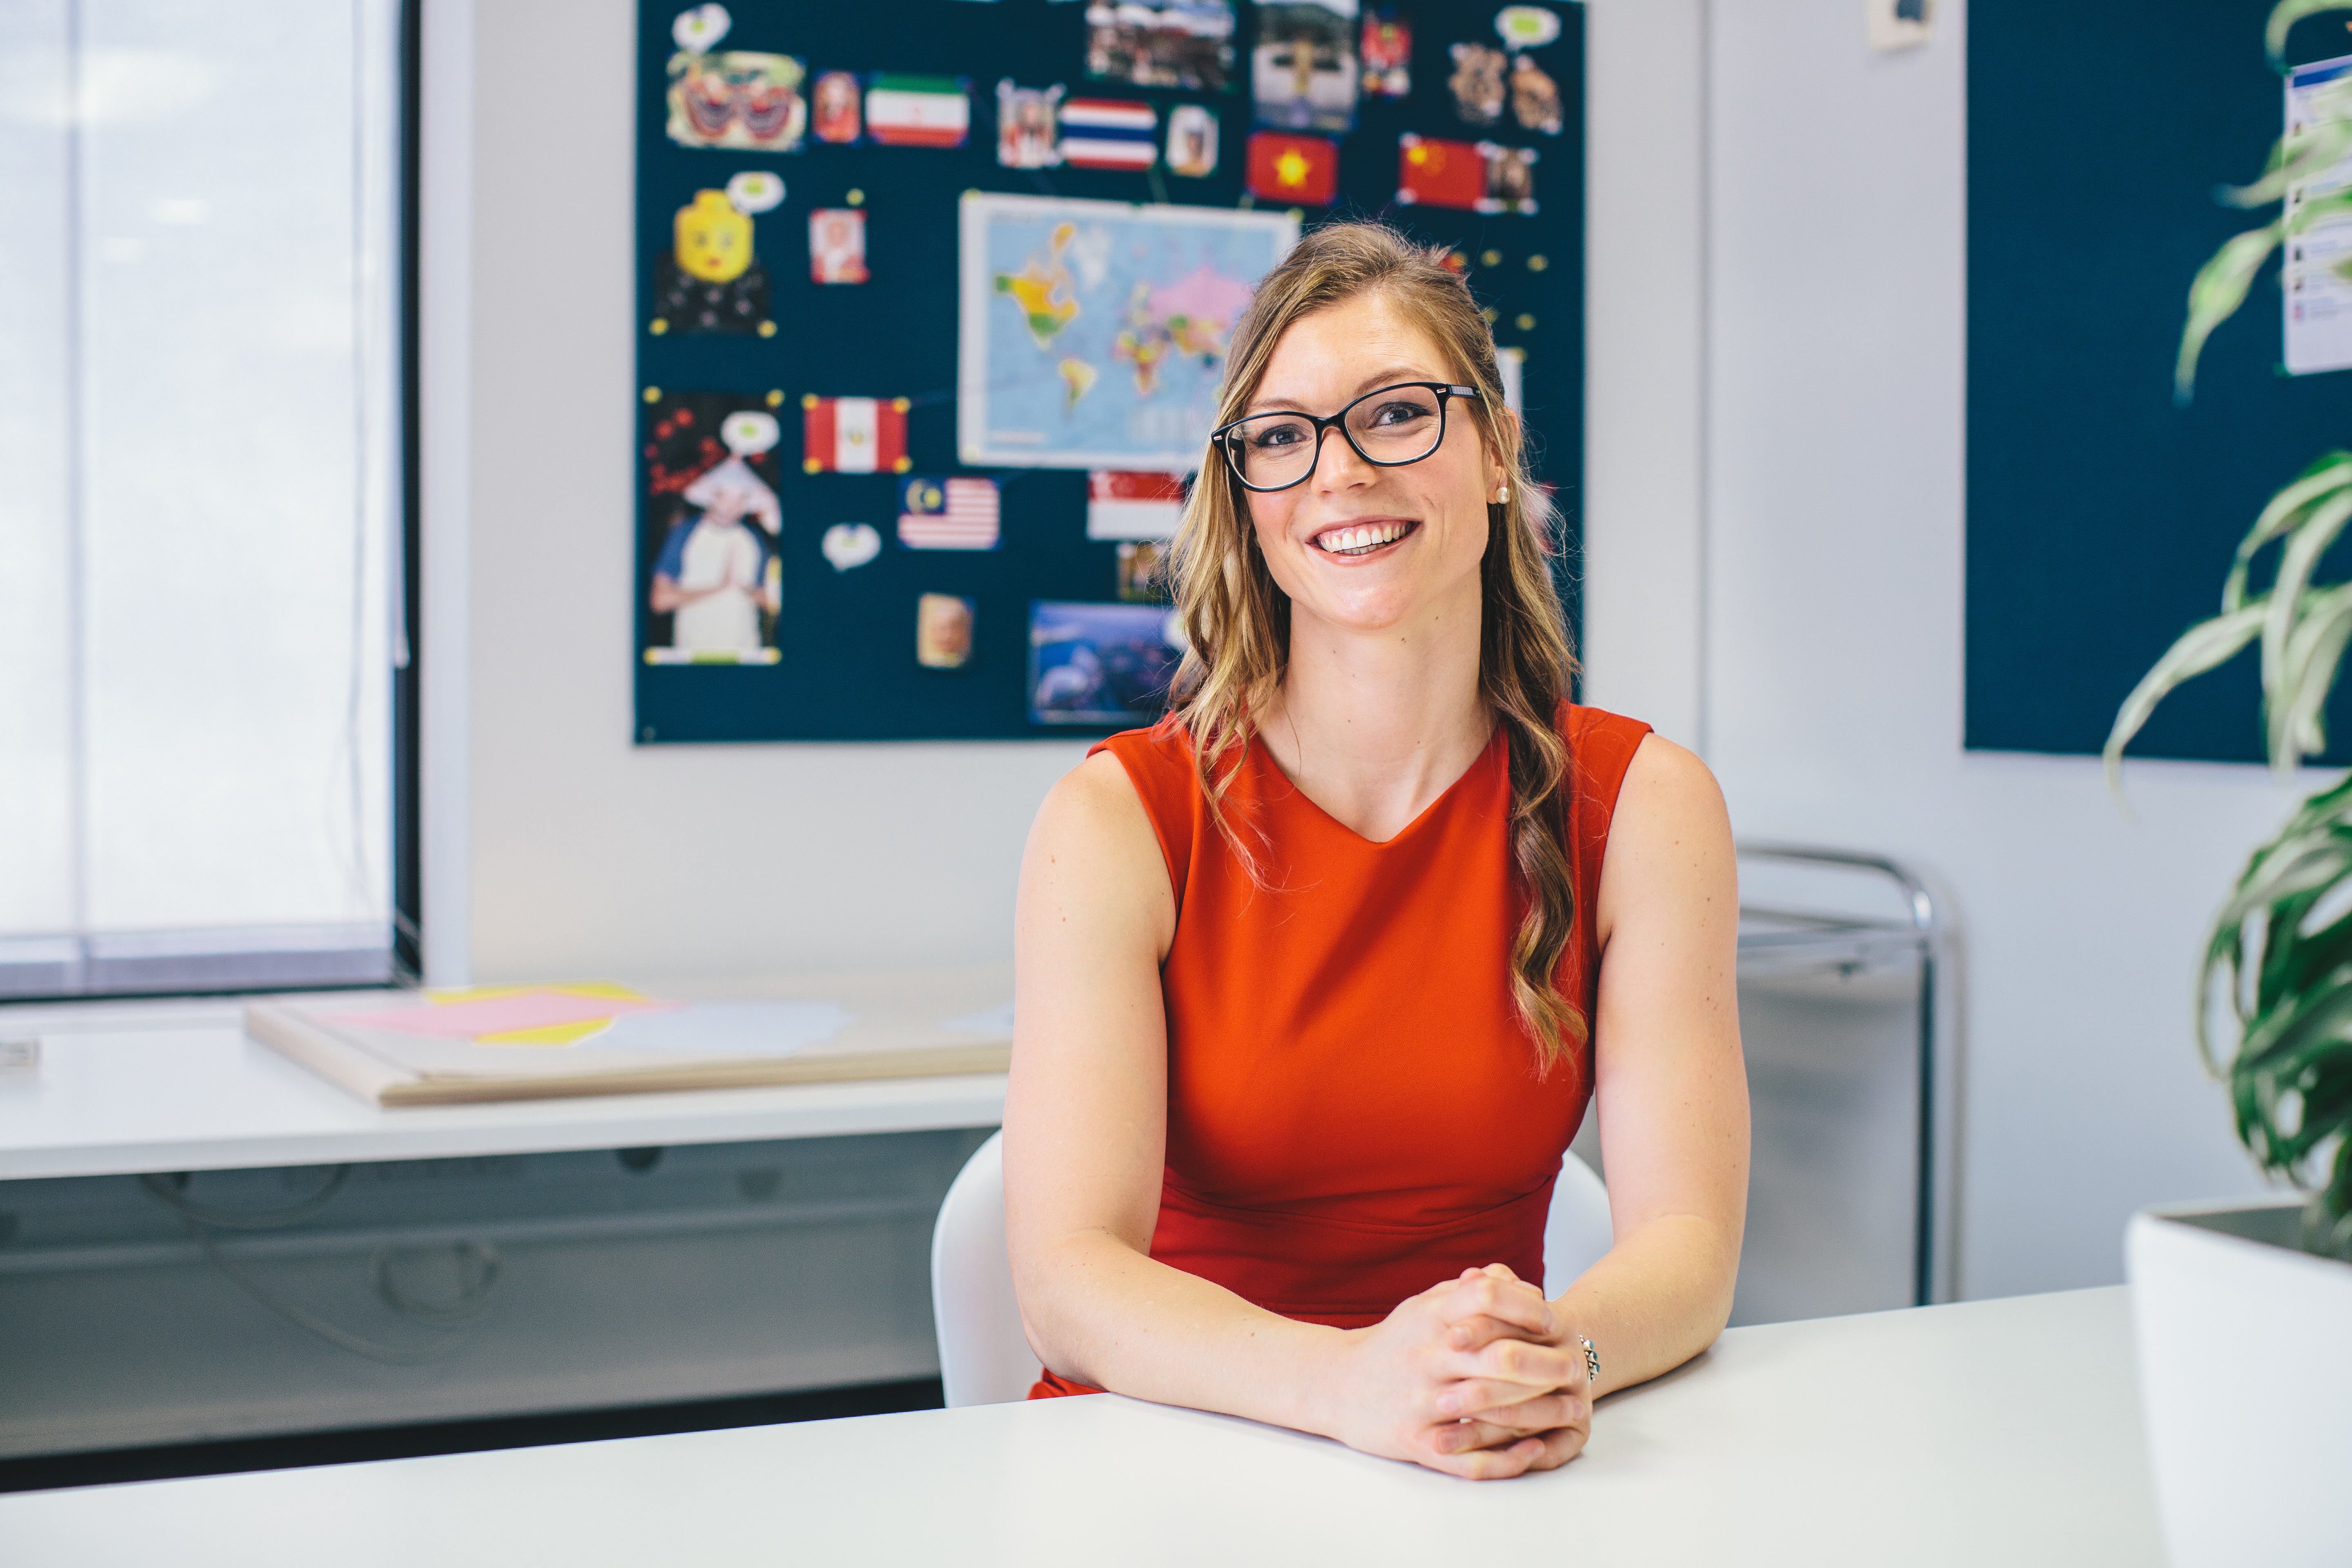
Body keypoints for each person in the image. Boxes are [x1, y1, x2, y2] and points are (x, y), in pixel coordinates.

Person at [1003, 222, 1748, 1481]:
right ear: (1247, 492)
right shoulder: (1120, 818)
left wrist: (1552, 1367)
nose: (1339, 474)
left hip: (1479, 1465)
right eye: (1283, 437)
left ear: (1499, 452)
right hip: (1160, 1459)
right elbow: (1067, 1280)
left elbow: (1686, 1244)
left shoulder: (1646, 808)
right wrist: (1351, 1384)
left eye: (1398, 414)